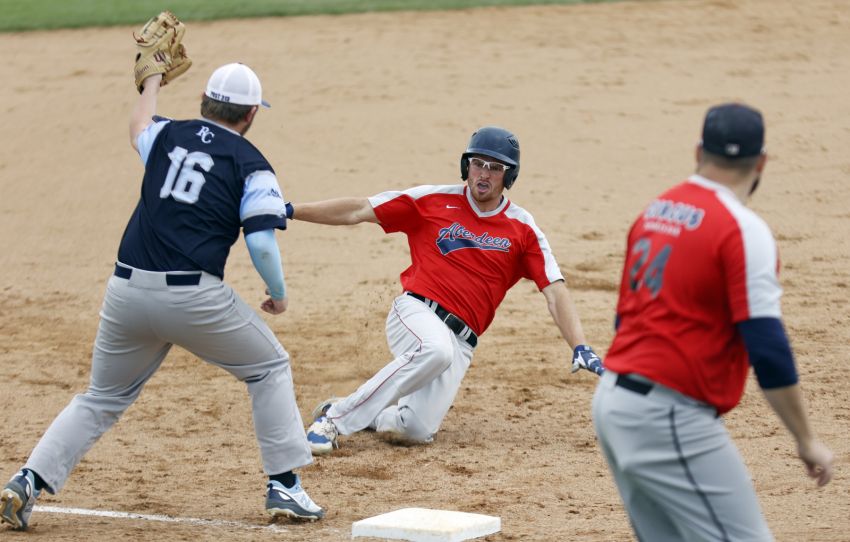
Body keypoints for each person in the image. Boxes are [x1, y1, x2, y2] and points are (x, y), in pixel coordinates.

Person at [0, 63, 324, 531]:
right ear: (251, 113)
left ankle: (28, 479)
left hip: (126, 293)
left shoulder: (168, 135)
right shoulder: (252, 164)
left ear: (203, 100)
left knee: (101, 397)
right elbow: (259, 240)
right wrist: (279, 293)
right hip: (194, 300)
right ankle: (285, 486)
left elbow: (138, 126)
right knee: (269, 367)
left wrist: (152, 81)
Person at [592, 103, 834, 541]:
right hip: (669, 416)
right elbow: (767, 347)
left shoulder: (654, 212)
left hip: (612, 403)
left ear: (698, 151)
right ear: (761, 162)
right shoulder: (742, 227)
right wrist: (805, 438)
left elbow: (622, 319)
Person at [286, 126, 602, 455]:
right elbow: (357, 210)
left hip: (462, 342)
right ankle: (334, 421)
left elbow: (555, 289)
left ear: (509, 177)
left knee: (414, 430)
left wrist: (580, 345)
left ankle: (362, 409)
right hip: (416, 312)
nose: (485, 174)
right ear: (467, 166)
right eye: (478, 163)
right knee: (435, 349)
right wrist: (292, 210)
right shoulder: (431, 200)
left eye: (496, 168)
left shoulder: (522, 228)